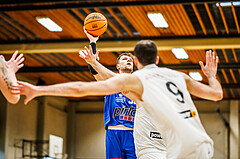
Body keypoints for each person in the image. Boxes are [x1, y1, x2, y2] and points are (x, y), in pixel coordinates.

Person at [13, 40, 223, 158]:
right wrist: (211, 76)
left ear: (136, 61)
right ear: (157, 59)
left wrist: (38, 90)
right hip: (202, 146)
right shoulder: (178, 76)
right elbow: (216, 95)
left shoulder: (137, 80)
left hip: (164, 150)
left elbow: (80, 89)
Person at [79, 30, 166, 159]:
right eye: (124, 59)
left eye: (130, 60)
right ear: (118, 66)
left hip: (134, 133)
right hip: (114, 132)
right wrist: (93, 42)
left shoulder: (138, 84)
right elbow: (94, 68)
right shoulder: (109, 83)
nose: (128, 61)